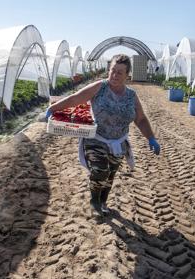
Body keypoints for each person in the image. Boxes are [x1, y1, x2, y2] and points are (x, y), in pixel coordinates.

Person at [46, 54, 160, 217]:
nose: (115, 75)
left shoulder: (131, 96)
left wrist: (151, 138)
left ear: (127, 75)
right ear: (109, 69)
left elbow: (140, 119)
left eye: (120, 72)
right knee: (101, 170)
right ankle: (94, 201)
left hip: (118, 141)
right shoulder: (100, 87)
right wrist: (53, 108)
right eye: (113, 70)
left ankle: (103, 201)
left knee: (110, 175)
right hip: (96, 138)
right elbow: (75, 99)